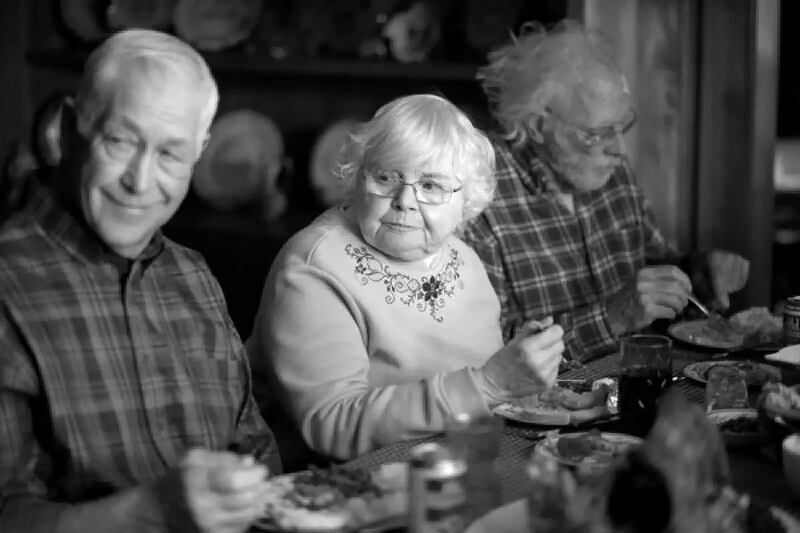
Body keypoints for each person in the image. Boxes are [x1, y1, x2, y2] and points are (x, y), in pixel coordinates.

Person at [0, 29, 280, 533]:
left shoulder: (194, 277)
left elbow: (256, 460)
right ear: (67, 129)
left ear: (200, 153)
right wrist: (149, 513)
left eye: (171, 154)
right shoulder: (8, 280)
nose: (140, 181)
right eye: (121, 140)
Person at [247, 94, 565, 461]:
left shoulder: (463, 259)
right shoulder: (313, 265)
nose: (405, 200)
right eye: (386, 177)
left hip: (451, 463)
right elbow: (332, 424)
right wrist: (488, 385)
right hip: (340, 486)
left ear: (468, 200)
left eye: (431, 186)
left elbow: (486, 396)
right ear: (357, 177)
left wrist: (517, 371)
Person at [460, 20, 750, 362]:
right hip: (547, 409)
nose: (619, 149)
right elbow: (486, 354)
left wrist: (701, 273)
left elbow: (656, 268)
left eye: (622, 125)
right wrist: (611, 318)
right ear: (539, 127)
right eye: (597, 133)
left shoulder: (610, 171)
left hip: (641, 381)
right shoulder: (478, 198)